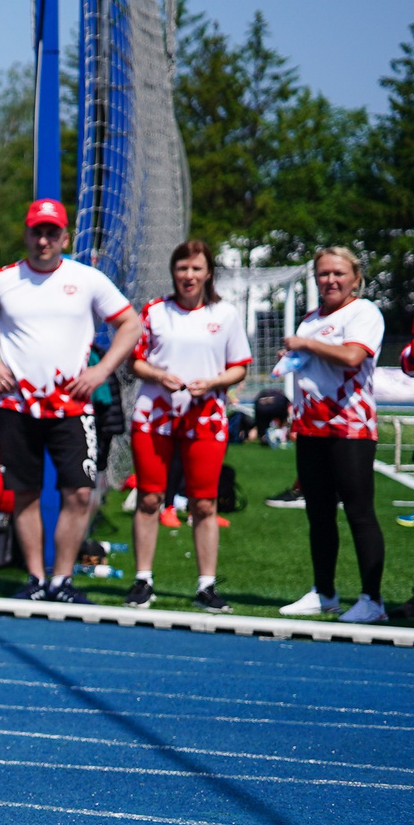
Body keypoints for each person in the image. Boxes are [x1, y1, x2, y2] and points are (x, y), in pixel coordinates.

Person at [0, 198, 140, 603]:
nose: (43, 240)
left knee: (78, 492)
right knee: (25, 493)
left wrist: (101, 370)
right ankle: (37, 580)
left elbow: (130, 322)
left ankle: (63, 580)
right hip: (18, 407)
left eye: (51, 232)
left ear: (64, 237)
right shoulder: (2, 280)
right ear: (26, 233)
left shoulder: (86, 279)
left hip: (72, 408)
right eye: (37, 231)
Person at [125, 239, 250, 612]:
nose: (189, 276)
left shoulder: (225, 314)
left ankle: (206, 586)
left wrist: (212, 383)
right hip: (154, 416)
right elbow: (135, 361)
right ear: (173, 272)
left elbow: (239, 366)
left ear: (208, 272)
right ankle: (143, 580)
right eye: (182, 268)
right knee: (149, 497)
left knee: (204, 503)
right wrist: (159, 375)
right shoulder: (154, 312)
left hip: (206, 418)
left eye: (196, 268)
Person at [276, 248, 388, 622]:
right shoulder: (311, 319)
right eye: (323, 274)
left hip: (351, 427)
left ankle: (372, 600)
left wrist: (305, 345)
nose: (331, 281)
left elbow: (354, 356)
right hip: (311, 427)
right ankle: (324, 592)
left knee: (359, 512)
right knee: (318, 513)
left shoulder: (364, 312)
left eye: (339, 273)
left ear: (356, 277)